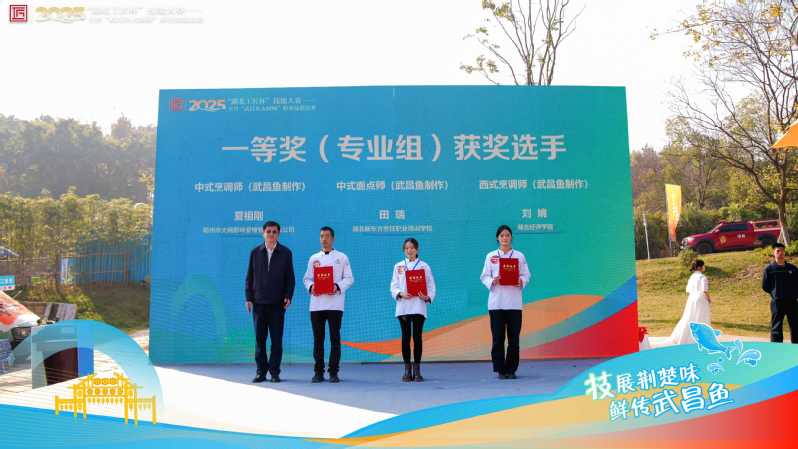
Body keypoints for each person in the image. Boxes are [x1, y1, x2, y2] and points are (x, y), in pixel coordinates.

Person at [245, 220, 295, 383]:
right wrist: (248, 298)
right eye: (268, 231)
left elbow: (290, 278)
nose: (271, 234)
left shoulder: (286, 253)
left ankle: (274, 372)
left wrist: (288, 295)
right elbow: (249, 277)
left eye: (274, 232)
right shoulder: (255, 252)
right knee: (260, 340)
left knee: (276, 340)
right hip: (258, 304)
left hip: (277, 305)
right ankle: (261, 372)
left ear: (278, 234)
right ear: (263, 233)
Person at [302, 226, 354, 383]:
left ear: (333, 238)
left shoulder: (342, 257)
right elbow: (307, 279)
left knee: (334, 339)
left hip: (335, 305)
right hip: (316, 305)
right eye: (321, 236)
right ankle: (318, 372)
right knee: (318, 340)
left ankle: (333, 372)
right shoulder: (313, 258)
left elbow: (349, 279)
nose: (324, 239)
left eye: (327, 236)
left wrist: (336, 286)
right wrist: (312, 287)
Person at [479, 225, 531, 379]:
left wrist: (521, 281)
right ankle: (501, 369)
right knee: (498, 338)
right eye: (502, 235)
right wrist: (493, 281)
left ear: (511, 237)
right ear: (497, 238)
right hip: (496, 303)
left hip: (514, 303)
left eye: (507, 235)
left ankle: (511, 369)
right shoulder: (491, 256)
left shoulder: (519, 256)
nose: (505, 238)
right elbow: (484, 276)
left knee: (514, 339)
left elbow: (527, 275)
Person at [390, 238, 436, 382]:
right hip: (403, 306)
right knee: (405, 338)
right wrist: (400, 293)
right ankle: (406, 370)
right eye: (406, 248)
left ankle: (417, 371)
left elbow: (431, 285)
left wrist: (427, 297)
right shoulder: (398, 266)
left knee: (417, 338)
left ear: (417, 249)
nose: (409, 250)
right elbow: (393, 285)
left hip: (418, 306)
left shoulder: (424, 266)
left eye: (412, 248)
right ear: (404, 250)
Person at [762, 243, 798, 343]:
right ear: (774, 253)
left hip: (792, 302)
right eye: (778, 251)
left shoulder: (792, 268)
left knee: (796, 326)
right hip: (777, 303)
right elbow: (765, 286)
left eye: (782, 251)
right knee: (776, 327)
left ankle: (795, 348)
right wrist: (775, 293)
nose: (780, 253)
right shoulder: (769, 269)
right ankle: (777, 349)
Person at [669, 259, 711, 344]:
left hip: (691, 299)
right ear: (699, 267)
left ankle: (682, 336)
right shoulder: (702, 277)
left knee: (689, 316)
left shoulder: (692, 277)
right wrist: (709, 299)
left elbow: (688, 290)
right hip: (700, 299)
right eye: (703, 265)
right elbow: (704, 290)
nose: (704, 267)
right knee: (700, 317)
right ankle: (700, 338)